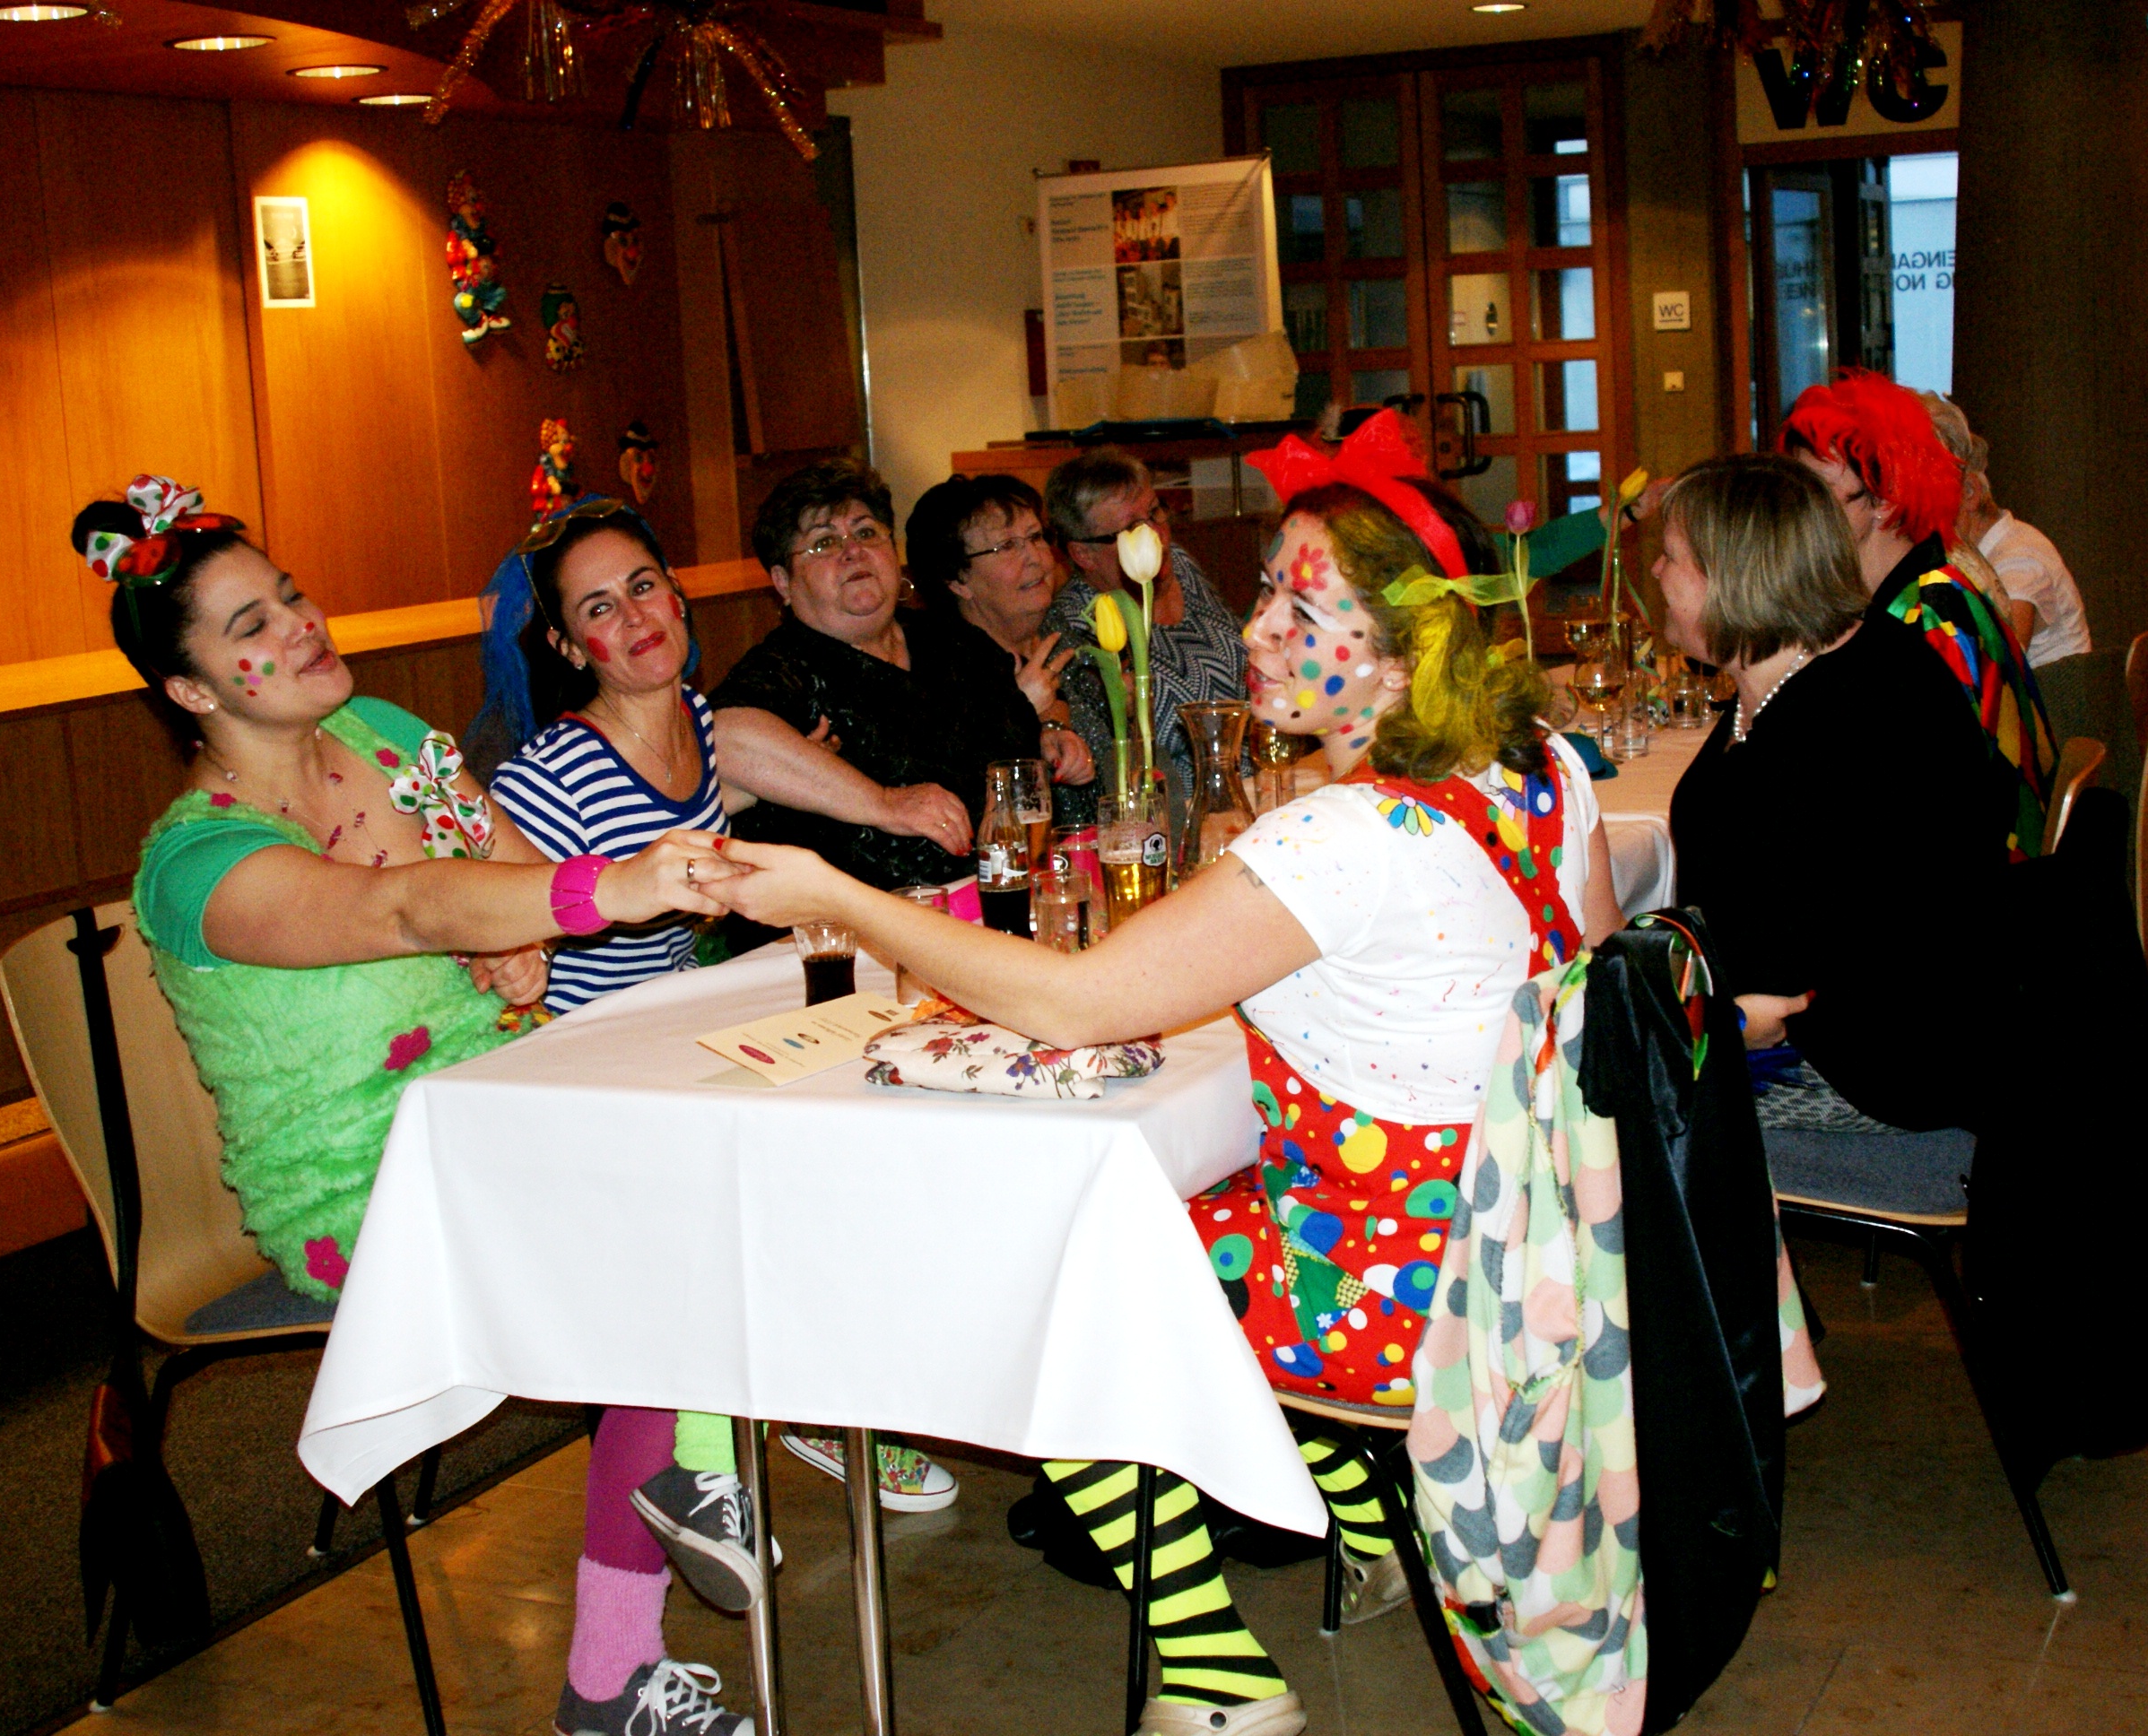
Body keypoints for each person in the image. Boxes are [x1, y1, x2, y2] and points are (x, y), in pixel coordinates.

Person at [692, 437, 1622, 1736]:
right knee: (1173, 1202)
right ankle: (1371, 1532)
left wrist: (839, 897)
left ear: (1404, 654)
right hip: (1529, 1249)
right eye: (1268, 592)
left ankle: (1217, 1670)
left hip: (1394, 1297)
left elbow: (1076, 1002)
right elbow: (1578, 1007)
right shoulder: (1541, 769)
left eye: (1303, 611)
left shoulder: (1344, 836)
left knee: (1035, 1282)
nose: (1256, 630)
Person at [84, 477, 753, 1736]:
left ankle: (683, 1498)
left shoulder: (387, 732)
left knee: (733, 1134)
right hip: (368, 1181)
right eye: (251, 626)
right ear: (191, 691)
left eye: (290, 596)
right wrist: (603, 890)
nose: (300, 625)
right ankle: (673, 1524)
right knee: (664, 1228)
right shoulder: (197, 862)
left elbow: (500, 871)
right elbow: (400, 907)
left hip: (503, 1105)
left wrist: (522, 943)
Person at [473, 498, 962, 1611]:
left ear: (679, 592)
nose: (636, 617)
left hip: (684, 1042)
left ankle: (825, 1397)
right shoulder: (551, 772)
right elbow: (497, 917)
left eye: (645, 586)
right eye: (600, 608)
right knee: (782, 1166)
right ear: (567, 647)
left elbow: (719, 785)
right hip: (590, 1073)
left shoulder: (696, 718)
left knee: (879, 1105)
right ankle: (759, 1430)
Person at [1655, 455, 1999, 1135]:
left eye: (1671, 557)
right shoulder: (1833, 664)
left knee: (1592, 1090)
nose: (1658, 573)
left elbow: (1773, 983)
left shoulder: (1839, 728)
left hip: (1875, 1068)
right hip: (1889, 1032)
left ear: (1735, 576)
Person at [710, 460, 1058, 891]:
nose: (852, 551)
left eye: (866, 532)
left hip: (996, 895)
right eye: (823, 543)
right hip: (852, 920)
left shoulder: (954, 641)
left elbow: (1013, 740)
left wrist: (1049, 732)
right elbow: (723, 738)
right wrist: (885, 803)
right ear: (783, 582)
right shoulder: (784, 667)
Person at [1783, 368, 2057, 862]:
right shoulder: (1930, 585)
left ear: (1885, 502)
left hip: (1989, 886)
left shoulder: (1929, 620)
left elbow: (1909, 812)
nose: (1797, 514)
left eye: (1816, 494)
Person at [1040, 447, 1248, 828]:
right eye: (1133, 529)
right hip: (1181, 817)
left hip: (1253, 788)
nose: (1156, 536)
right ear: (1083, 553)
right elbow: (1122, 761)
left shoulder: (1179, 565)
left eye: (1155, 512)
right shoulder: (1077, 626)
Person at [901, 473, 1100, 826]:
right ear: (958, 580)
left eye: (1035, 537)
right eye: (1007, 546)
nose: (1036, 558)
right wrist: (1020, 709)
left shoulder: (1066, 631)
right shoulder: (948, 673)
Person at [1916, 390, 2091, 666]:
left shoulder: (2019, 560)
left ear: (1969, 492)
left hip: (2051, 695)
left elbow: (1998, 667)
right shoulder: (2006, 542)